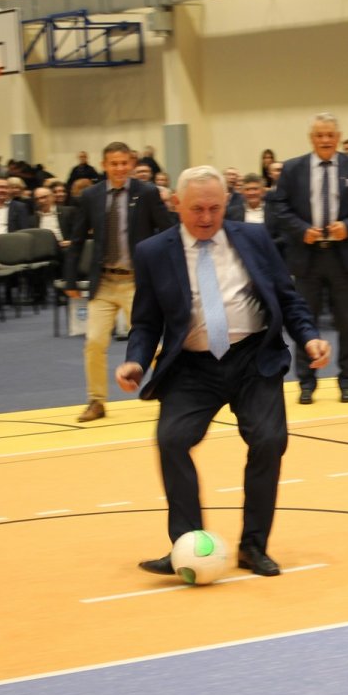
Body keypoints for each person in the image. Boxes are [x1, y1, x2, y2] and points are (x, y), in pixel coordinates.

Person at [117, 166, 331, 579]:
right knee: (172, 440)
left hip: (253, 358)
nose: (206, 217)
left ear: (226, 203)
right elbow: (146, 321)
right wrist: (136, 361)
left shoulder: (253, 237)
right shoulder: (153, 252)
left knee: (269, 441)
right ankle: (187, 545)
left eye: (215, 208)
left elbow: (287, 298)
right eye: (197, 209)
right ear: (176, 204)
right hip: (192, 366)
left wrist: (309, 338)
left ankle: (254, 546)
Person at [268, 113, 348, 404]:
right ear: (311, 138)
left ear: (338, 137)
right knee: (305, 322)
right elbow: (279, 207)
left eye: (330, 135)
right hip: (307, 257)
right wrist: (301, 230)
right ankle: (306, 383)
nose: (325, 140)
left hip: (344, 256)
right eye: (319, 135)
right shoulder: (293, 168)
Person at [65, 141, 172, 422]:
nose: (120, 168)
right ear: (104, 166)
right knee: (93, 342)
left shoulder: (146, 193)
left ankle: (170, 390)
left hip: (137, 281)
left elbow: (168, 230)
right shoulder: (90, 196)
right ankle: (96, 401)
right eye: (114, 163)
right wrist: (70, 279)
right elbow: (77, 240)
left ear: (132, 164)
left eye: (124, 163)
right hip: (103, 282)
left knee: (150, 343)